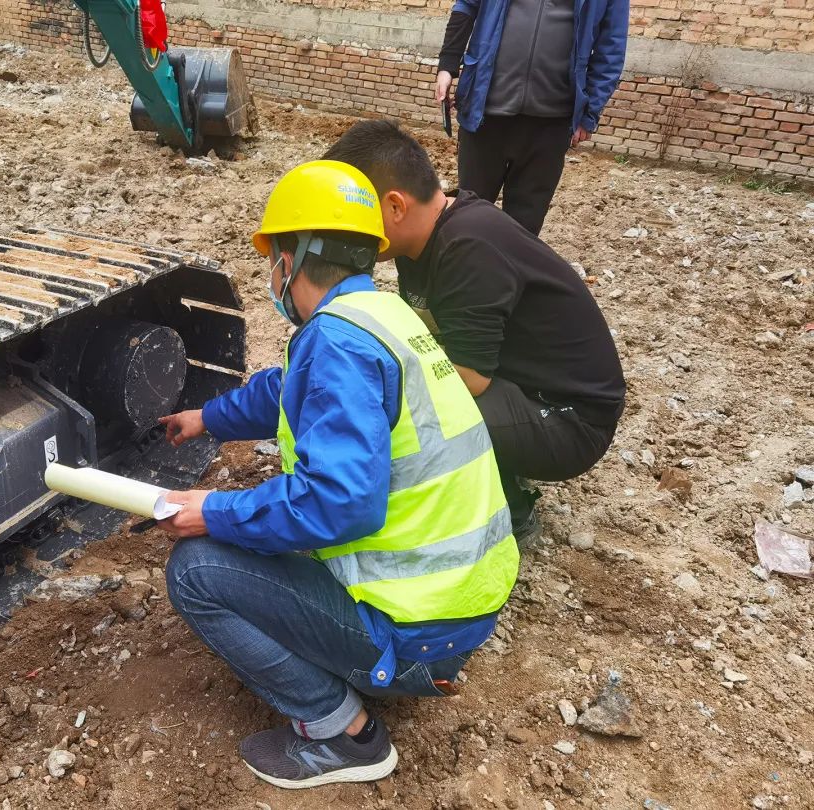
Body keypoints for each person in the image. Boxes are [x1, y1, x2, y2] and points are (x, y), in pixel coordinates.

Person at [156, 160, 518, 789]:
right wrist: (206, 417)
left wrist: (213, 510)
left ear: (293, 259)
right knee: (243, 538)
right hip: (463, 603)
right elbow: (290, 391)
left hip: (417, 634)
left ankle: (345, 735)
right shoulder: (383, 316)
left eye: (274, 255)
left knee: (196, 572)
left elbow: (338, 503)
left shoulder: (338, 343)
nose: (272, 272)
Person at [323, 120, 625, 541]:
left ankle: (509, 512)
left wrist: (366, 390)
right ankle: (493, 471)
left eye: (355, 214)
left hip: (572, 420)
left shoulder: (470, 246)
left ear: (394, 206)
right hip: (526, 389)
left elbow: (469, 377)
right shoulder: (419, 238)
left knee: (412, 408)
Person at [434, 0, 629, 234]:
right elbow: (466, 6)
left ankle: (510, 270)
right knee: (470, 216)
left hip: (552, 122)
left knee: (524, 228)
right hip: (486, 112)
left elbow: (611, 47)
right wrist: (447, 64)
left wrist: (589, 112)